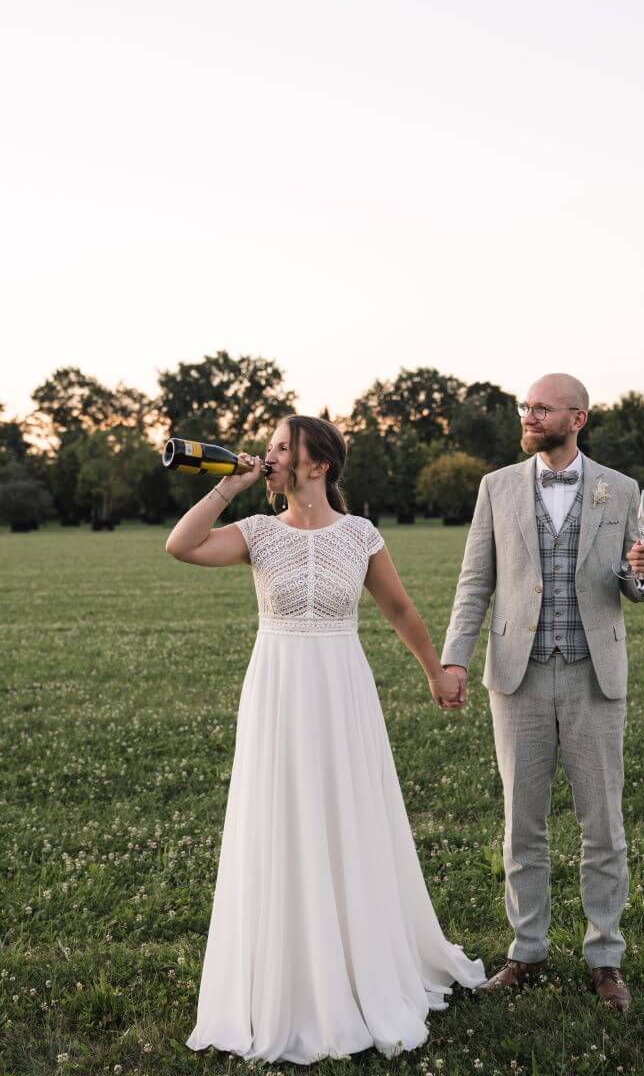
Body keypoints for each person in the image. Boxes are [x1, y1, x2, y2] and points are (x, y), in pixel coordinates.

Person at [165, 414, 485, 1064]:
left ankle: (359, 959)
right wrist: (232, 482)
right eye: (271, 448)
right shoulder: (255, 533)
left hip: (342, 687)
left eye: (283, 447)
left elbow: (397, 607)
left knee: (346, 816)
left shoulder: (359, 535)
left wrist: (434, 672)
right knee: (279, 819)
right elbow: (182, 544)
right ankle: (286, 975)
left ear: (320, 464)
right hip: (277, 690)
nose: (272, 455)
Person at [440, 373, 644, 1012]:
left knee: (604, 825)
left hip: (595, 676)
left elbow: (634, 585)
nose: (529, 415)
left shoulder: (618, 490)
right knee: (521, 824)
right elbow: (473, 582)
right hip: (517, 677)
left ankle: (605, 956)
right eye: (525, 406)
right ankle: (526, 949)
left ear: (578, 418)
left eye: (542, 407)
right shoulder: (497, 486)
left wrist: (642, 577)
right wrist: (454, 658)